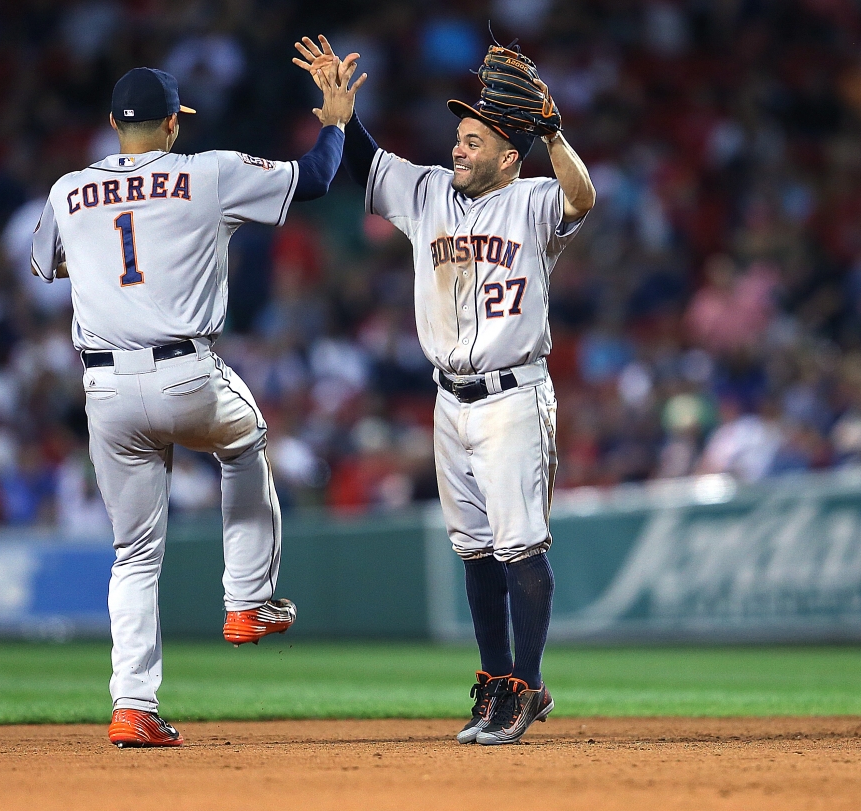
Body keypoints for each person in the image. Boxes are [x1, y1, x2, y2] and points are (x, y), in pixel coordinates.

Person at [31, 56, 365, 748]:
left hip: (105, 388)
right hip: (184, 371)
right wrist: (334, 122)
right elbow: (316, 177)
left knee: (134, 553)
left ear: (113, 126)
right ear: (176, 122)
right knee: (245, 438)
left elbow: (47, 263)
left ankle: (132, 704)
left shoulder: (68, 189)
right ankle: (246, 600)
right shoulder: (205, 170)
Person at [294, 36, 594, 745]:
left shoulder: (532, 200)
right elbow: (368, 163)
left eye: (473, 140)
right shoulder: (428, 192)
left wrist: (552, 130)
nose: (458, 148)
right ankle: (495, 682)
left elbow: (582, 196)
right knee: (476, 548)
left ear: (506, 155)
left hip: (514, 393)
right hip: (448, 399)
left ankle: (528, 680)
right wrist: (342, 116)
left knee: (521, 544)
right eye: (457, 137)